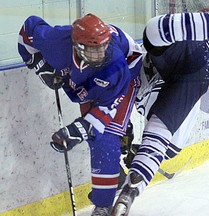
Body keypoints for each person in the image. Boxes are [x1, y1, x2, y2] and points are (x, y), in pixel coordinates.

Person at [112, 7, 209, 216]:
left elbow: (121, 41)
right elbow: (163, 141)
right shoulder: (145, 104)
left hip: (181, 61)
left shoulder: (123, 67)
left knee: (152, 32)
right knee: (165, 135)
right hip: (192, 73)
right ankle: (130, 184)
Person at [18, 13, 143, 216]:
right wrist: (41, 67)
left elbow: (103, 112)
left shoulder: (115, 63)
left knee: (105, 134)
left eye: (103, 47)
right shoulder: (57, 41)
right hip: (88, 81)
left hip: (127, 74)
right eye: (94, 50)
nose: (101, 53)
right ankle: (114, 172)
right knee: (93, 134)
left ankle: (103, 205)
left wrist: (74, 132)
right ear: (77, 46)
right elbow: (27, 30)